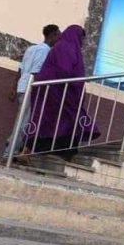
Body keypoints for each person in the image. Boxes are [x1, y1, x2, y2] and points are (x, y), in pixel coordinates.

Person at [25, 25, 100, 161]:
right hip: (58, 92)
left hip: (56, 91)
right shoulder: (66, 47)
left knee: (50, 121)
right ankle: (39, 153)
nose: (82, 41)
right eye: (81, 38)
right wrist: (75, 86)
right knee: (63, 121)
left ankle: (32, 152)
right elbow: (65, 70)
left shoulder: (62, 47)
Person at [4, 24, 61, 159]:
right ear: (52, 35)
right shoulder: (46, 51)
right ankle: (9, 152)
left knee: (22, 120)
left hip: (22, 86)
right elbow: (37, 71)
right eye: (58, 35)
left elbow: (20, 68)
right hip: (31, 87)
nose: (59, 39)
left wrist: (14, 87)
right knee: (23, 122)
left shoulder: (31, 48)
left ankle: (12, 148)